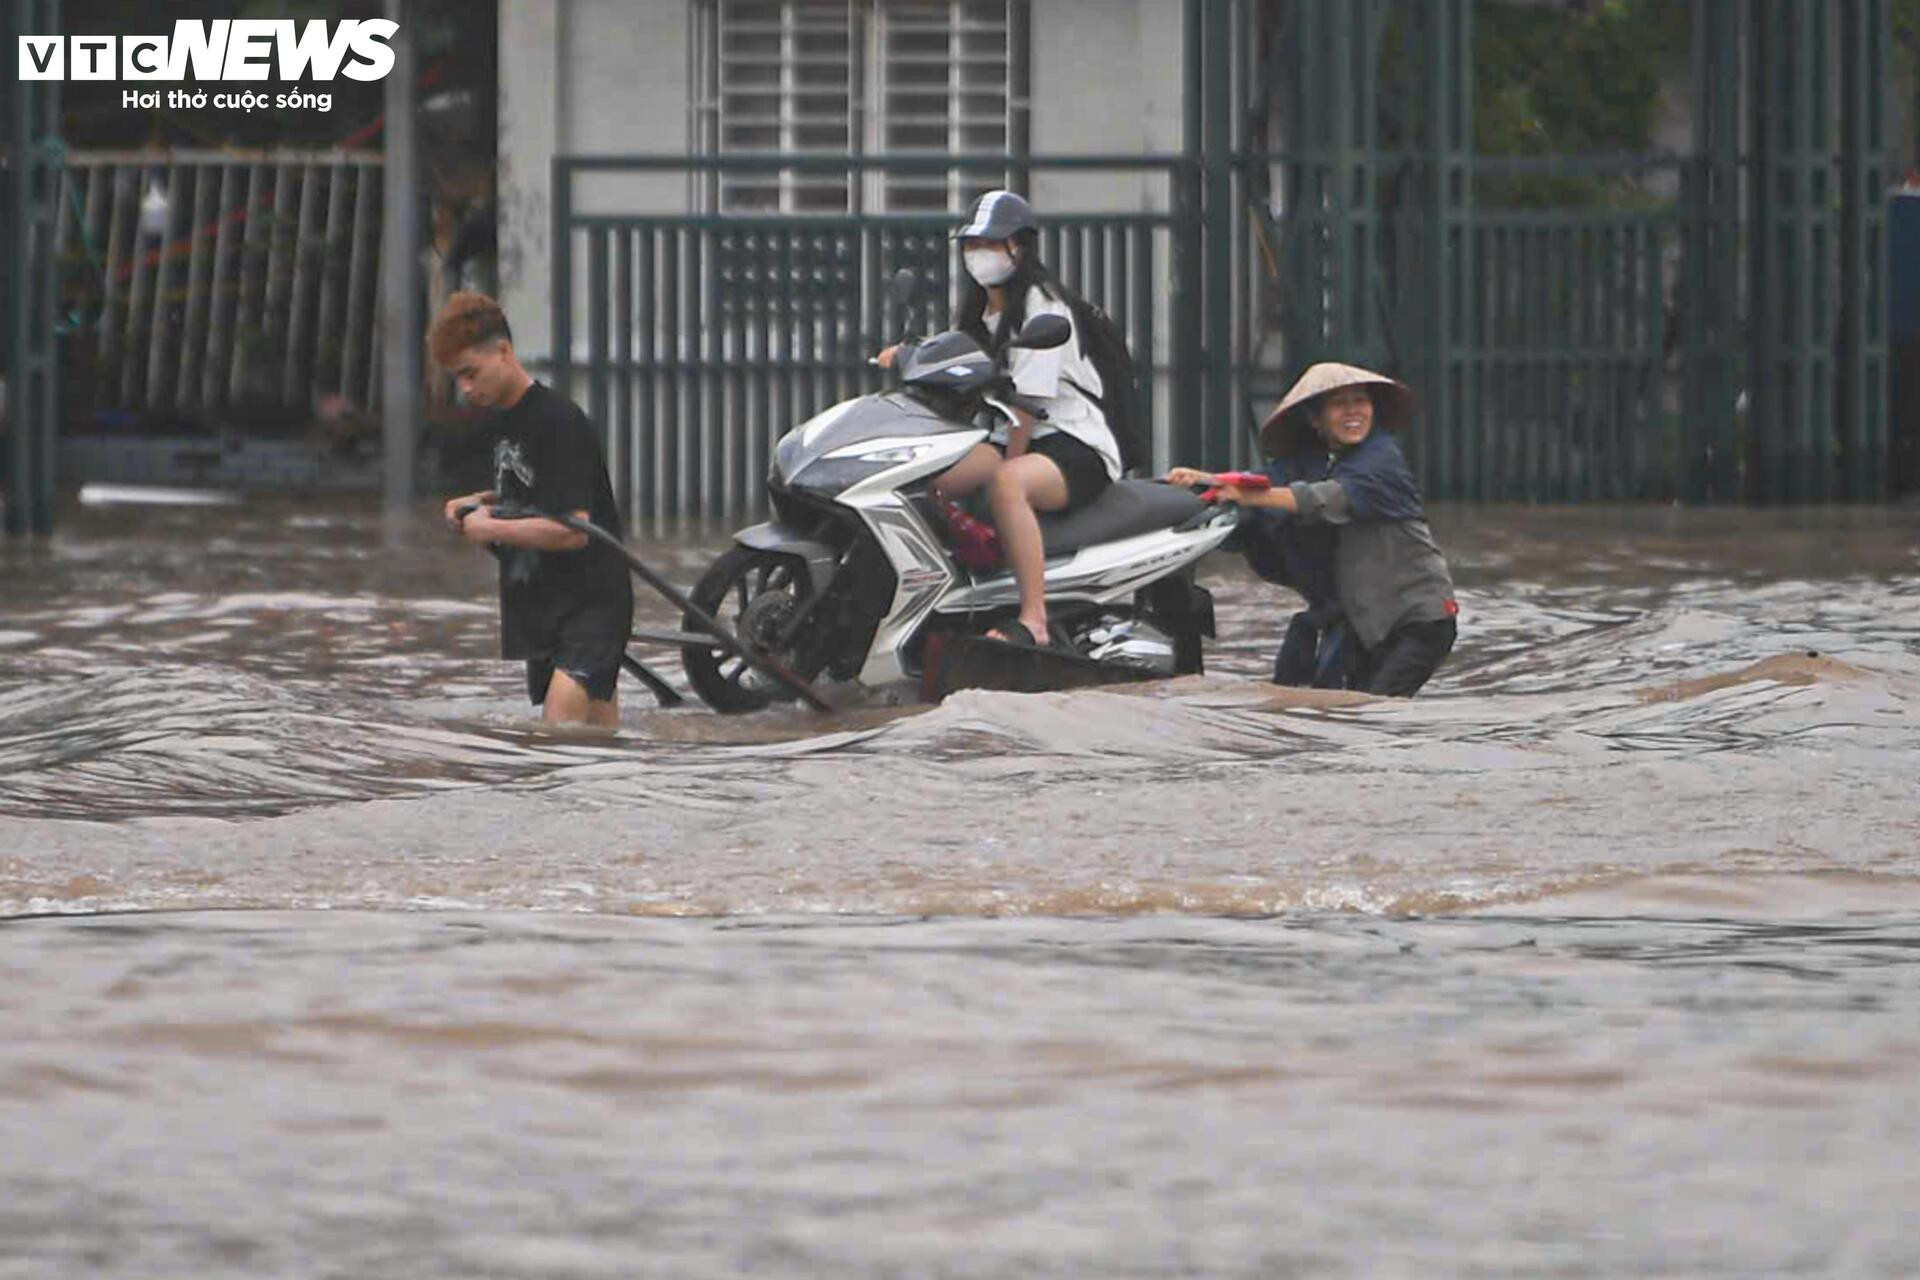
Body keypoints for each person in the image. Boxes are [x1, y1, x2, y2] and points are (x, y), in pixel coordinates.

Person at [880, 190, 1124, 649]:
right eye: (971, 245)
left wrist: (997, 474)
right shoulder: (982, 309)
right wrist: (907, 354)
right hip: (1010, 435)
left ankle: (1033, 619)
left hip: (1072, 442)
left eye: (991, 244)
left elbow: (1024, 411)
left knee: (1007, 484)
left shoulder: (1041, 307)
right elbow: (956, 355)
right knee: (921, 481)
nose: (979, 255)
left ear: (1020, 248)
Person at [1165, 362, 1458, 696]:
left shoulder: (1381, 460)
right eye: (1338, 404)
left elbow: (1322, 499)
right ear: (1315, 419)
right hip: (1363, 624)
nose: (1353, 412)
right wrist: (1206, 480)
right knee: (1346, 715)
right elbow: (1262, 482)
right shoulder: (1312, 461)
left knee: (1376, 710)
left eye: (1360, 401)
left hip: (1418, 622)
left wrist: (1248, 495)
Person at [433, 291, 634, 727]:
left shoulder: (559, 420)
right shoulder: (501, 420)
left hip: (591, 603)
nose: (466, 389)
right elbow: (528, 494)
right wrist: (477, 503)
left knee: (554, 742)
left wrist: (489, 530)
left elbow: (573, 529)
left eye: (471, 373)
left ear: (503, 351)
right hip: (542, 605)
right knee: (598, 744)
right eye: (457, 379)